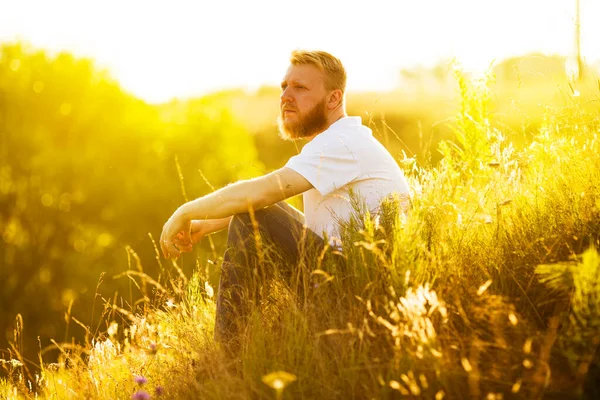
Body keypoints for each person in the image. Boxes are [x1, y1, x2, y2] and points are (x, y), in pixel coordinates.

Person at [160, 50, 410, 346]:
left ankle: (228, 354)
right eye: (284, 87)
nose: (286, 96)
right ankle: (240, 347)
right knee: (258, 212)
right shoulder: (340, 140)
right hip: (352, 280)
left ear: (333, 99)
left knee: (255, 216)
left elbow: (261, 192)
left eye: (300, 88)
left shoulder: (342, 143)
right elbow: (277, 208)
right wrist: (210, 223)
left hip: (357, 295)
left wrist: (185, 212)